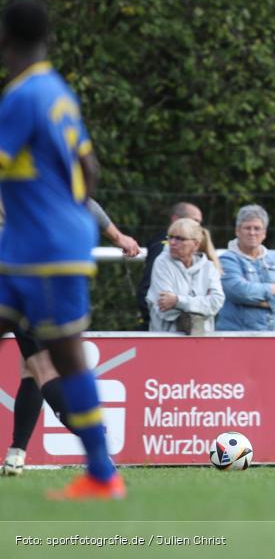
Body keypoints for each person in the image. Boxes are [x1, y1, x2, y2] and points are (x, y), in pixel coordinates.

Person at [0, 0, 123, 498]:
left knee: (66, 358)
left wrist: (46, 217)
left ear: (5, 38)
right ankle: (102, 471)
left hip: (43, 247)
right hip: (38, 243)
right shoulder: (58, 92)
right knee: (62, 358)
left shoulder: (21, 95)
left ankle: (102, 472)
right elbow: (89, 170)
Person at [2, 197, 139, 476]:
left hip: (18, 274)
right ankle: (17, 453)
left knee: (43, 367)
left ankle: (94, 442)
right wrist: (117, 236)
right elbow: (84, 201)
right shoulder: (42, 168)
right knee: (33, 368)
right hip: (46, 272)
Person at [216, 204, 275, 331]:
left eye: (257, 228)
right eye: (247, 228)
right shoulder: (226, 260)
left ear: (264, 233)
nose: (252, 233)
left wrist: (265, 303)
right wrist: (272, 288)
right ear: (237, 231)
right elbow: (240, 291)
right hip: (240, 335)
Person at [146, 217, 224, 333]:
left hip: (201, 340)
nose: (172, 243)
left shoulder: (209, 267)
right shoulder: (161, 262)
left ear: (196, 244)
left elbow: (216, 303)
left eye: (179, 239)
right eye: (170, 237)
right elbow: (165, 309)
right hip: (165, 339)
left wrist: (177, 301)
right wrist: (202, 304)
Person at [136, 201, 203, 329]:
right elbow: (147, 288)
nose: (198, 226)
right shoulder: (163, 249)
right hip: (163, 328)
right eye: (195, 221)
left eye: (199, 222)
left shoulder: (204, 261)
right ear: (175, 219)